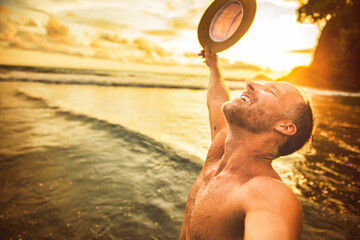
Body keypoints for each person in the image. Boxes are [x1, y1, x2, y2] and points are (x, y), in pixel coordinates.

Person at [179, 46, 314, 240]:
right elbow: (217, 98)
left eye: (271, 91)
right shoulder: (218, 150)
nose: (251, 84)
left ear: (285, 126)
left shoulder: (268, 193)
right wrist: (213, 66)